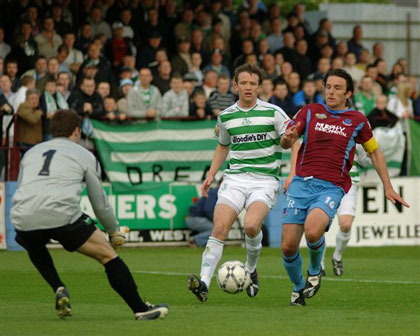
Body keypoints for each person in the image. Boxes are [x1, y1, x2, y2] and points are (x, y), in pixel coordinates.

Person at [10, 109, 168, 320]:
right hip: (62, 215)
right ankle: (140, 308)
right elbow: (99, 202)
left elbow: (23, 187)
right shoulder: (84, 154)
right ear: (77, 131)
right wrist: (113, 231)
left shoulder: (31, 153)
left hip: (23, 217)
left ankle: (58, 287)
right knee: (108, 256)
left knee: (34, 243)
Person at [280, 68, 409, 306]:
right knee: (288, 247)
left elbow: (375, 152)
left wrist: (388, 187)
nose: (331, 92)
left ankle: (315, 270)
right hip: (300, 185)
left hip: (331, 186)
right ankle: (299, 289)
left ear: (348, 93)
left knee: (312, 230)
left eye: (337, 88)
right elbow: (289, 139)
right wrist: (286, 140)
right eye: (328, 86)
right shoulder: (310, 111)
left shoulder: (358, 120)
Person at [187, 63, 297, 302]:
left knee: (250, 226)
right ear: (235, 85)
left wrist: (291, 171)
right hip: (234, 179)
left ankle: (250, 268)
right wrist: (211, 174)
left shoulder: (274, 112)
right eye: (243, 83)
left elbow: (292, 141)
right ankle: (204, 283)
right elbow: (223, 146)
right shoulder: (226, 116)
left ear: (259, 86)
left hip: (264, 181)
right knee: (219, 228)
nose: (248, 87)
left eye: (253, 83)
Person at [320, 145, 371, 276]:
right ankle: (319, 264)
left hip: (349, 185)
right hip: (324, 184)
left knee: (346, 224)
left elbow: (365, 161)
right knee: (319, 225)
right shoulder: (324, 132)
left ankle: (337, 257)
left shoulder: (356, 139)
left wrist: (369, 155)